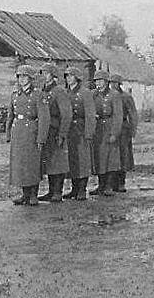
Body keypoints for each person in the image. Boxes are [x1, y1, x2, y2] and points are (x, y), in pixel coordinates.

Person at [6, 65, 49, 206]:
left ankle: (33, 195)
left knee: (32, 164)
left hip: (31, 132)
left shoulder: (38, 95)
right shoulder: (15, 94)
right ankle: (25, 194)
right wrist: (8, 134)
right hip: (18, 132)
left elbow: (44, 118)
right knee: (20, 165)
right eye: (19, 76)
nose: (22, 79)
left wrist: (41, 138)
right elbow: (10, 116)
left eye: (24, 76)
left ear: (31, 78)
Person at [37, 64, 72, 203]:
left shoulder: (59, 91)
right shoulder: (43, 91)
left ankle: (58, 192)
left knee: (58, 162)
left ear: (53, 75)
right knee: (50, 162)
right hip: (47, 131)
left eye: (46, 73)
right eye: (42, 72)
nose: (44, 75)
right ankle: (51, 191)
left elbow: (66, 114)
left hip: (56, 130)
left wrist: (62, 133)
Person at [63, 66, 96, 200]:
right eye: (66, 76)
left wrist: (89, 132)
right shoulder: (66, 92)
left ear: (77, 77)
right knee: (72, 160)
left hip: (81, 129)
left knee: (83, 160)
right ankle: (74, 189)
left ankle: (82, 189)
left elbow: (90, 114)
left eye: (71, 76)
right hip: (69, 129)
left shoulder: (85, 93)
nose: (68, 78)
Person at [89, 71, 124, 197]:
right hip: (98, 129)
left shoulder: (114, 95)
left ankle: (109, 186)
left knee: (111, 158)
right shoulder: (93, 94)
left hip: (109, 127)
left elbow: (118, 115)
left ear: (106, 81)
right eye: (96, 80)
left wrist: (115, 132)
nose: (98, 83)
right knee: (99, 158)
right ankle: (101, 185)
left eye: (100, 80)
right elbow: (89, 109)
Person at [110, 73, 138, 193]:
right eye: (111, 83)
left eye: (115, 83)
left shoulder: (126, 97)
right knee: (111, 156)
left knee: (123, 155)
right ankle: (110, 183)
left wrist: (133, 129)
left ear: (119, 84)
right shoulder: (109, 96)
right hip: (111, 127)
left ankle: (121, 182)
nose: (113, 85)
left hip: (123, 128)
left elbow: (132, 114)